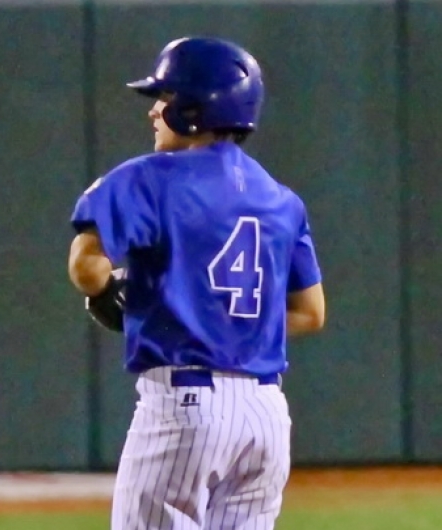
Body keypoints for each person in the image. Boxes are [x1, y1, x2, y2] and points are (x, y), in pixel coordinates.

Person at [67, 37, 326, 530]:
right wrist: (225, 322)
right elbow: (311, 312)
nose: (153, 113)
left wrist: (106, 293)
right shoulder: (281, 199)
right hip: (266, 413)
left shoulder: (149, 178)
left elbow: (88, 265)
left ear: (191, 110)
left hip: (186, 404)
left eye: (162, 101)